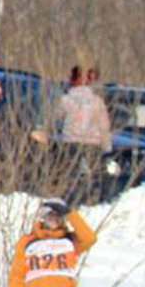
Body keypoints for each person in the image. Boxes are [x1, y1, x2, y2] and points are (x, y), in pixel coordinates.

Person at [55, 65, 113, 201]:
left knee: (70, 174)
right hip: (93, 143)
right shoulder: (97, 102)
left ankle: (70, 199)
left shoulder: (65, 100)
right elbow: (104, 126)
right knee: (94, 174)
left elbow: (55, 118)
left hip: (70, 142)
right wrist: (107, 146)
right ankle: (93, 198)